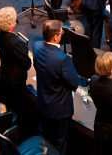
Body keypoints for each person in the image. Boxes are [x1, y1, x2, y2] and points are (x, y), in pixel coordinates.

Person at [33, 20, 87, 152]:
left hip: (43, 101)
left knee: (46, 135)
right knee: (59, 142)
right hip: (59, 109)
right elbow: (74, 82)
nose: (62, 35)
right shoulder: (62, 59)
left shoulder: (36, 46)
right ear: (55, 37)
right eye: (61, 33)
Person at [0, 7, 31, 113]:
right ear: (11, 24)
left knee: (10, 96)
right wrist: (25, 49)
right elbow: (26, 64)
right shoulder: (16, 43)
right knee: (19, 100)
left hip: (5, 70)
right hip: (16, 78)